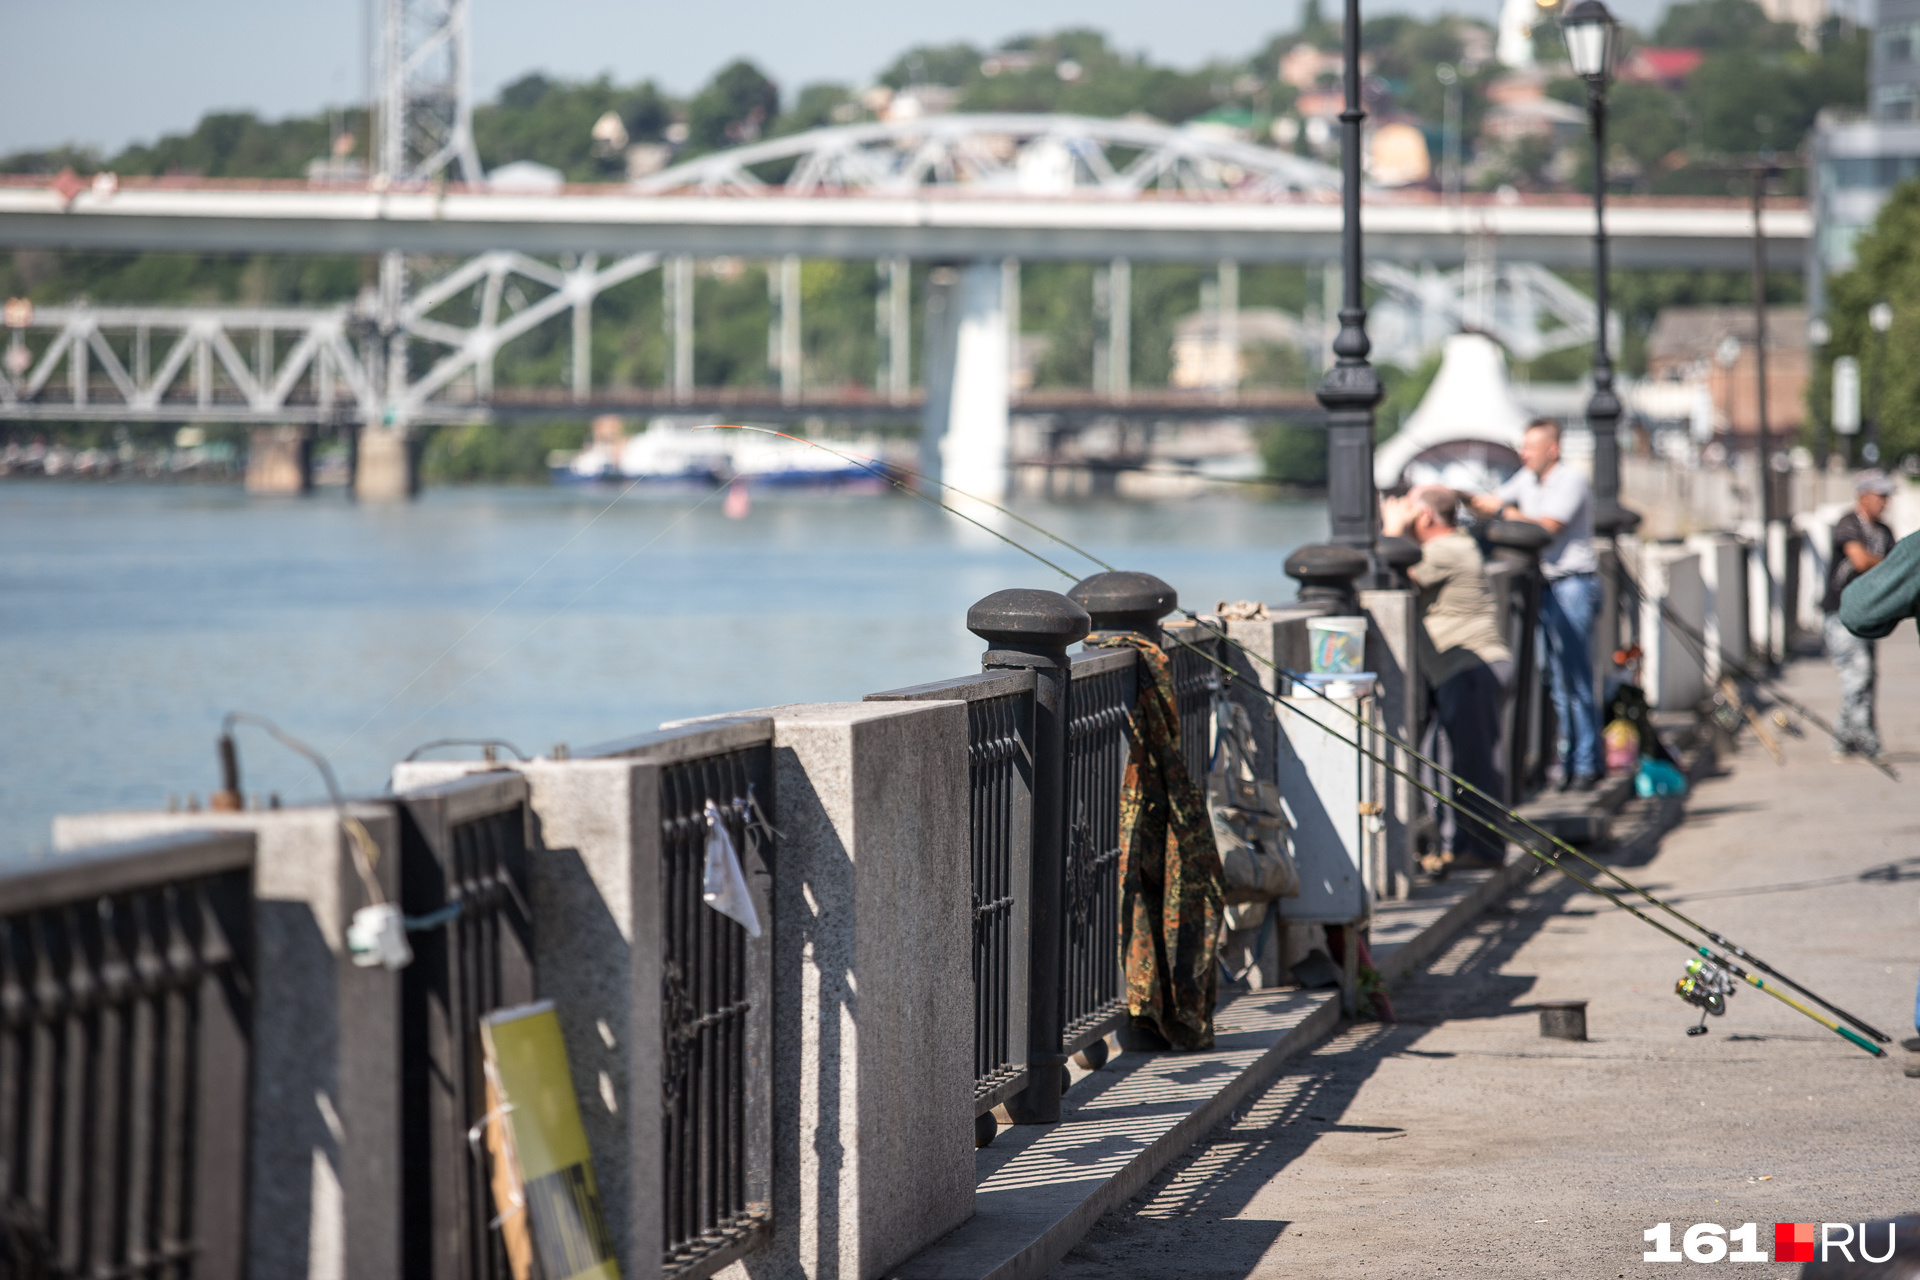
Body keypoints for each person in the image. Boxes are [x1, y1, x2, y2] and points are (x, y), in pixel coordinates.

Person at [1382, 485, 1513, 871]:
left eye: (1409, 508)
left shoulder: (1444, 551)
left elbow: (1390, 572)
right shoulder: (1455, 545)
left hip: (1470, 670)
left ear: (1424, 517)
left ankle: (1485, 851)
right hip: (1468, 671)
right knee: (1440, 763)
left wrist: (1391, 530)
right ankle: (1457, 846)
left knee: (1473, 766)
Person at [1468, 418, 1602, 790]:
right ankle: (1568, 761)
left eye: (1530, 447)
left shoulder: (1570, 481)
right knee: (1556, 681)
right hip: (1544, 586)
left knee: (1576, 678)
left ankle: (1588, 763)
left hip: (1573, 585)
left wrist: (1503, 513)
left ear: (1552, 450)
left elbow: (1545, 528)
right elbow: (1495, 503)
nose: (1523, 454)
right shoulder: (1527, 479)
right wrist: (1471, 501)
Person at [1823, 470, 1898, 759]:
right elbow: (1861, 560)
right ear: (1863, 496)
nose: (1885, 503)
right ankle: (1864, 737)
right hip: (1840, 614)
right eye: (1880, 496)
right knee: (1858, 674)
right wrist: (1888, 565)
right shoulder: (1848, 524)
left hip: (1870, 615)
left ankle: (1845, 736)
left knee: (1866, 677)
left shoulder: (1885, 531)